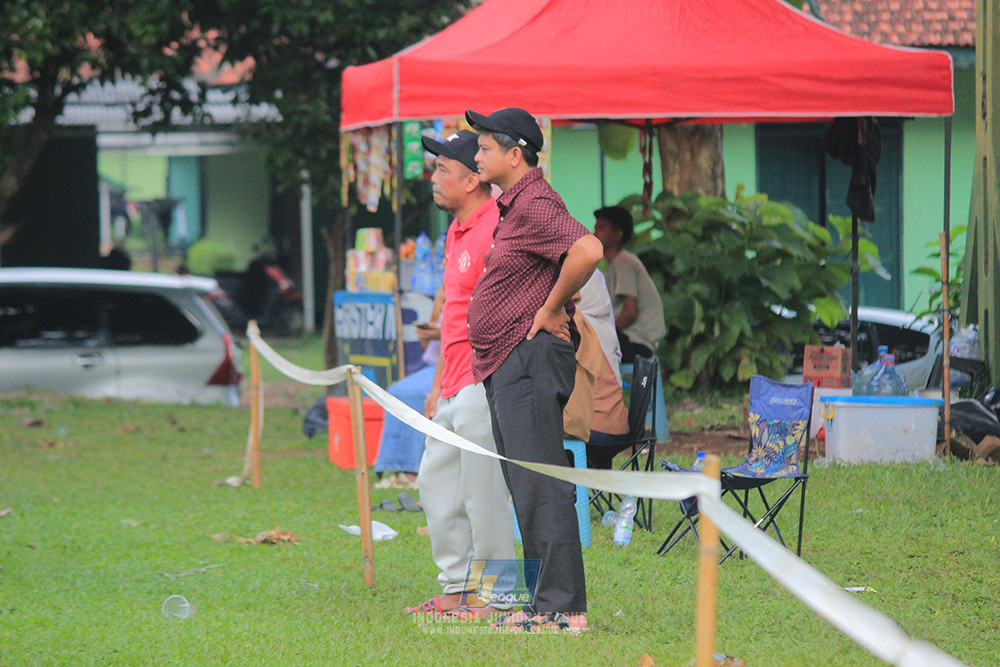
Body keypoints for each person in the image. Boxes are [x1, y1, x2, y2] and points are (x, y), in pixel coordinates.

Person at [466, 107, 603, 632]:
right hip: (508, 361)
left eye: (485, 148)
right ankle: (545, 604)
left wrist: (549, 308)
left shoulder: (537, 202)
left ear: (514, 153)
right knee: (526, 484)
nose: (477, 156)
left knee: (541, 483)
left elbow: (588, 250)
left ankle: (564, 610)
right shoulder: (517, 205)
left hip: (527, 360)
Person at [409, 130, 515, 619]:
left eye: (442, 170)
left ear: (472, 180)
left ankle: (501, 598)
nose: (434, 179)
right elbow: (455, 316)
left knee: (484, 495)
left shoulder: (499, 226)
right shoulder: (456, 231)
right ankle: (457, 588)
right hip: (451, 381)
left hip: (483, 380)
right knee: (436, 486)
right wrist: (436, 385)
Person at [593, 205, 666, 363]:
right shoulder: (615, 265)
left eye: (601, 228)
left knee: (585, 345)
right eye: (595, 228)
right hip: (632, 340)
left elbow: (631, 312)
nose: (595, 233)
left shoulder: (623, 262)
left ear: (618, 234)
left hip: (636, 343)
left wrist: (607, 334)